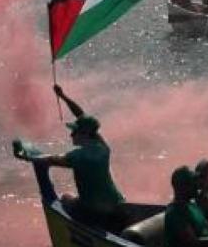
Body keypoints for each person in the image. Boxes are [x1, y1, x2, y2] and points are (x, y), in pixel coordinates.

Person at [13, 85, 127, 231]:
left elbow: (50, 159)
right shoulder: (103, 148)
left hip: (95, 211)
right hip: (116, 204)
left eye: (75, 132)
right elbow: (81, 116)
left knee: (66, 198)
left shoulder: (77, 157)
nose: (71, 135)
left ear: (85, 134)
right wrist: (63, 96)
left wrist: (25, 157)